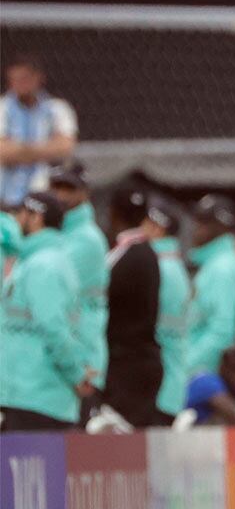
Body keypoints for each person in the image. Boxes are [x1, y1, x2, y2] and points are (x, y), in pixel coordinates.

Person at [0, 192, 89, 430]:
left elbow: (54, 328)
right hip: (30, 395)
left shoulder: (44, 266)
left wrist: (76, 375)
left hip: (37, 397)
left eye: (21, 214)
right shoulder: (38, 261)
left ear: (36, 217)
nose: (16, 220)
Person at [47, 162, 107, 422]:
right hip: (63, 358)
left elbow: (51, 286)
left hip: (81, 359)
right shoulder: (60, 233)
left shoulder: (86, 239)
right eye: (56, 186)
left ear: (85, 192)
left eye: (68, 188)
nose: (60, 194)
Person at [104, 184, 164, 427]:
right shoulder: (150, 254)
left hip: (125, 366)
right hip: (144, 361)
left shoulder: (121, 255)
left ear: (113, 214)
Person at [0, 55, 78, 207]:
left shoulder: (57, 109)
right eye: (15, 79)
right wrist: (46, 148)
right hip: (5, 197)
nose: (20, 84)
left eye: (25, 78)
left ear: (38, 78)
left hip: (45, 196)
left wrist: (18, 150)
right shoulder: (2, 108)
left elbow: (65, 148)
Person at [141, 196, 191, 423]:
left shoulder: (157, 268)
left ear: (157, 228)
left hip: (156, 389)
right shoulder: (175, 267)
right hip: (172, 385)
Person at [187, 194, 235, 376]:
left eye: (203, 223)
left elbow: (223, 333)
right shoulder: (214, 264)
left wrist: (184, 370)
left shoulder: (224, 269)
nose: (195, 229)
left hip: (200, 378)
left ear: (221, 228)